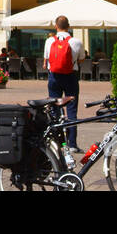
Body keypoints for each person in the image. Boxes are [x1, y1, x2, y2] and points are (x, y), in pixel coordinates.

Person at [42, 15, 84, 149]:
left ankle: (57, 143)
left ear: (56, 26)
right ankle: (72, 144)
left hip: (54, 77)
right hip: (71, 76)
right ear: (69, 26)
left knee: (54, 109)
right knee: (72, 110)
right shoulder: (76, 42)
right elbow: (81, 59)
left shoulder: (49, 41)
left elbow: (46, 60)